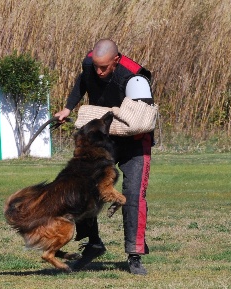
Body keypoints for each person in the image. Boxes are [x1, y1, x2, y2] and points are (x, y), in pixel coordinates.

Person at [55, 39, 154, 275]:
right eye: (96, 66)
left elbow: (141, 120)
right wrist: (68, 108)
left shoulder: (135, 79)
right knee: (80, 188)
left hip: (135, 142)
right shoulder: (90, 64)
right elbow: (82, 82)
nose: (98, 72)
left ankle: (134, 254)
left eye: (104, 68)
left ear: (116, 61)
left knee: (133, 195)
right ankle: (93, 243)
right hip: (101, 139)